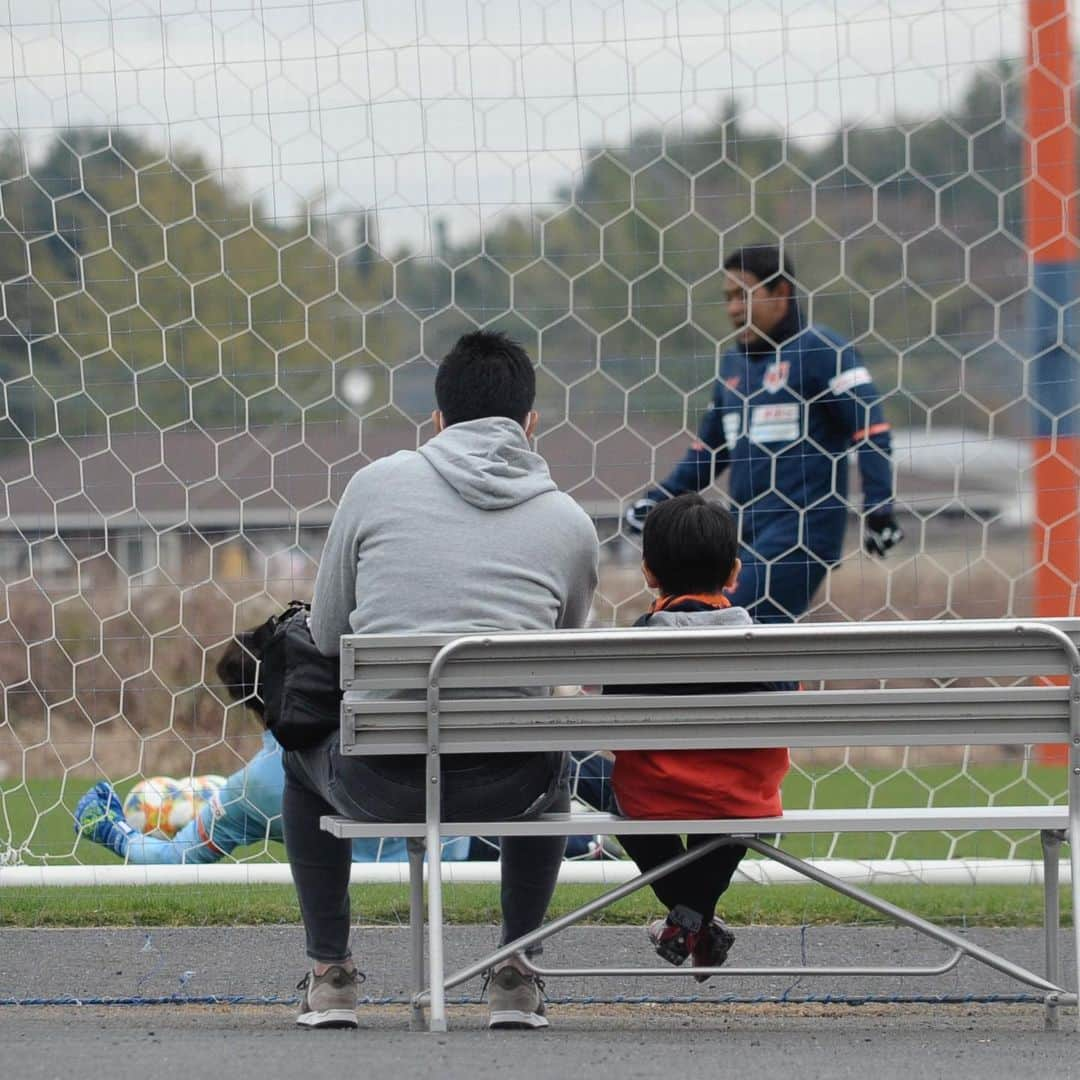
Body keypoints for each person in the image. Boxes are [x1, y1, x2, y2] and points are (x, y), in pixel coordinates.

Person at [284, 330, 599, 1030]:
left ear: (436, 423)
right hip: (508, 781)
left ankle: (330, 975)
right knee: (553, 758)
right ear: (530, 424)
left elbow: (330, 636)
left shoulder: (373, 486)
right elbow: (568, 661)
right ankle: (516, 975)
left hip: (380, 776)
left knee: (297, 760)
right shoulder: (571, 523)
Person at [625, 244, 902, 623]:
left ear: (780, 293)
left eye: (744, 295)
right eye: (727, 298)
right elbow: (708, 450)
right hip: (743, 536)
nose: (733, 308)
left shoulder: (823, 350)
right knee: (728, 633)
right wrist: (656, 500)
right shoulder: (734, 363)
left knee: (725, 623)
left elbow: (871, 429)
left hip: (802, 535)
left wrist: (879, 508)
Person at [73, 634, 471, 865]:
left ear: (248, 704)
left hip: (354, 897)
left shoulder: (253, 788)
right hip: (461, 855)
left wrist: (114, 833)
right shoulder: (385, 716)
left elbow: (180, 859)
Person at [608, 493, 794, 979]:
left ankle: (689, 921)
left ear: (648, 573)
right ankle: (695, 920)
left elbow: (612, 717)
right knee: (734, 811)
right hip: (743, 800)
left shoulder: (634, 646)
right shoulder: (765, 646)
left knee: (624, 809)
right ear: (734, 572)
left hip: (653, 799)